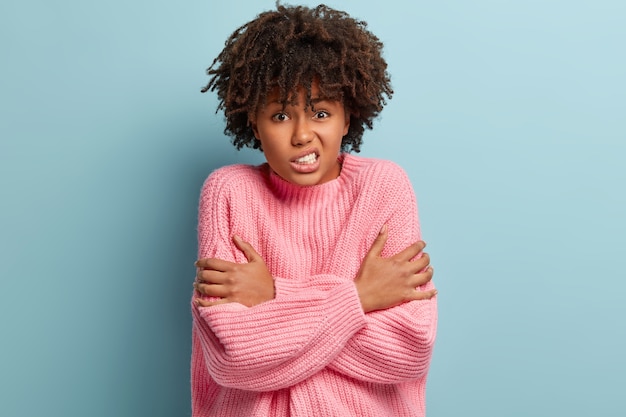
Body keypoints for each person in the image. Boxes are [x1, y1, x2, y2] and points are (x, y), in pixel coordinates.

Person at [191, 3, 437, 416]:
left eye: (321, 113)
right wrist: (362, 297)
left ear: (347, 117)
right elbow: (231, 355)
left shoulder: (383, 187)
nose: (303, 135)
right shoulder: (228, 192)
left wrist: (273, 296)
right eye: (281, 114)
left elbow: (408, 349)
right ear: (254, 121)